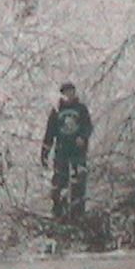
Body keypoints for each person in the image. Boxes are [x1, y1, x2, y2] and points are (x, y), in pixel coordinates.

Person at [41, 81, 93, 219]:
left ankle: (78, 212)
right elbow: (50, 132)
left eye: (71, 92)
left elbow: (88, 126)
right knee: (59, 181)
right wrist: (45, 152)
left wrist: (83, 137)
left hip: (78, 152)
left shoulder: (81, 109)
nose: (69, 95)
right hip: (62, 150)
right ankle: (59, 211)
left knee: (79, 181)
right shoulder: (57, 111)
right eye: (66, 92)